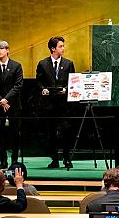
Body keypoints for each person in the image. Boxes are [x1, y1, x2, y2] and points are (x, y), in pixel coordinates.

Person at [36, 36, 76, 169]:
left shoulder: (69, 63)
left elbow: (73, 82)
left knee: (66, 132)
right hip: (49, 104)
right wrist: (43, 90)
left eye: (63, 46)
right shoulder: (43, 64)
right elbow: (38, 82)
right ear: (53, 49)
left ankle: (67, 158)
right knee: (51, 133)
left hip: (64, 105)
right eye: (60, 46)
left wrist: (66, 89)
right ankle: (54, 159)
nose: (63, 48)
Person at [0, 40, 24, 169]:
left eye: (1, 48)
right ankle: (3, 160)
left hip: (14, 105)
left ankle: (14, 159)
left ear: (7, 50)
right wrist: (1, 100)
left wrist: (6, 99)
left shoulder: (16, 66)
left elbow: (18, 85)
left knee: (15, 132)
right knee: (0, 133)